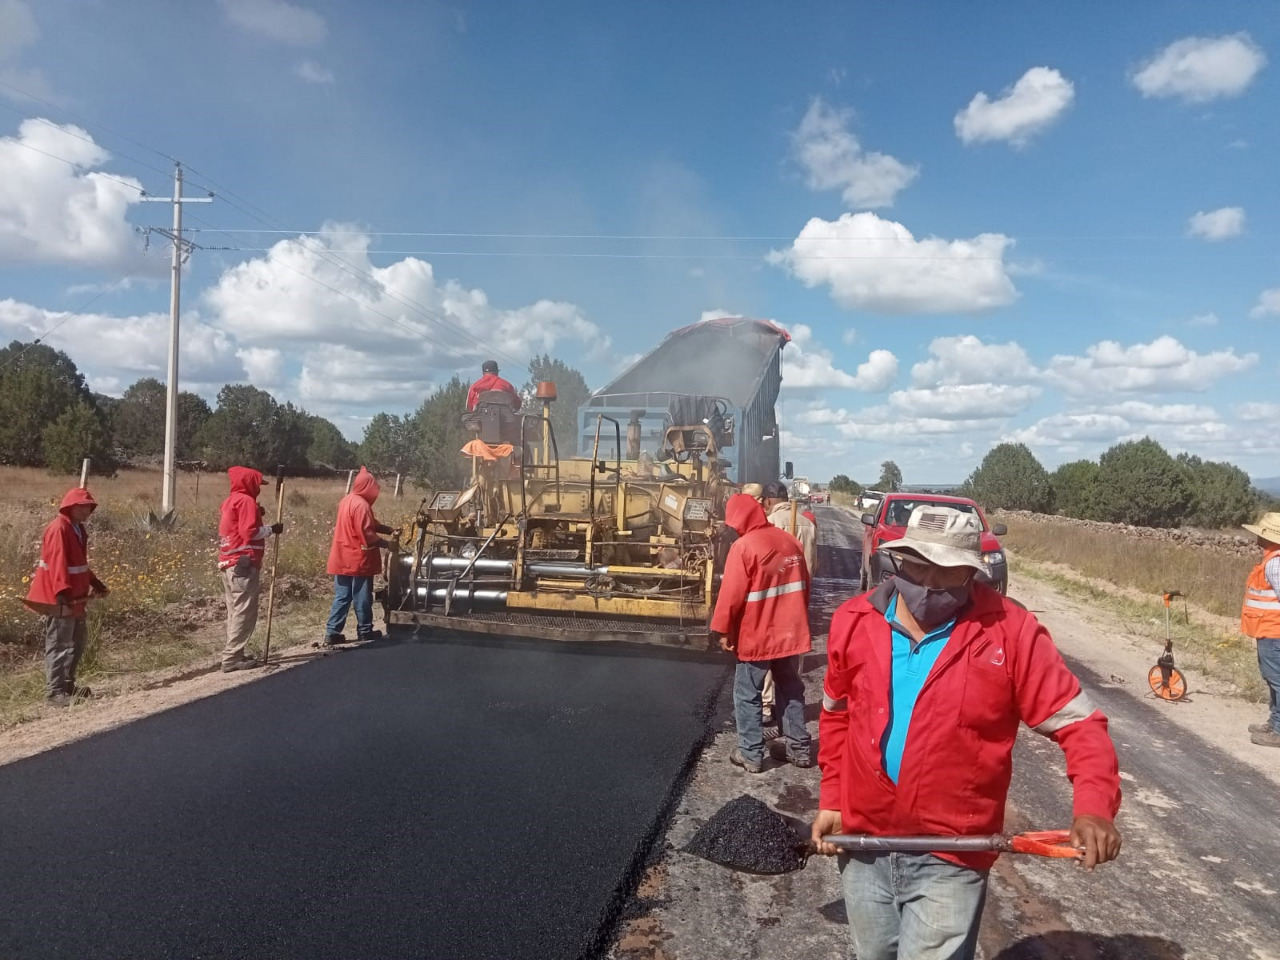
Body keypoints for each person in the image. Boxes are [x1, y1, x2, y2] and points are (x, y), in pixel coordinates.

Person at [811, 505, 1122, 960]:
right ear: (897, 561)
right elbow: (836, 716)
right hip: (863, 843)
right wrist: (834, 798)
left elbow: (1080, 724)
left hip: (952, 854)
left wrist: (1094, 806)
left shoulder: (1011, 633)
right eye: (919, 567)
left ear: (972, 574)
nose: (931, 584)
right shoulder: (854, 621)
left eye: (949, 574)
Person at [710, 493, 813, 773]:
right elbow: (804, 586)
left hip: (758, 635)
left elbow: (731, 595)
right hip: (790, 632)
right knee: (790, 689)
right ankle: (799, 750)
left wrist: (722, 630)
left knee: (747, 693)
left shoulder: (743, 547)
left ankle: (751, 754)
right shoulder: (789, 541)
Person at [24, 488, 109, 707]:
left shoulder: (77, 529)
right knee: (60, 643)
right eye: (82, 507)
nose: (86, 511)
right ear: (70, 507)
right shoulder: (59, 528)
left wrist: (94, 582)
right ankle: (55, 692)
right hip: (60, 598)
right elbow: (57, 562)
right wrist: (61, 592)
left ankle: (68, 685)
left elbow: (78, 563)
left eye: (89, 507)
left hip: (76, 598)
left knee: (78, 642)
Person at [217, 467, 283, 673]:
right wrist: (271, 529)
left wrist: (257, 514)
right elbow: (249, 532)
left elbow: (237, 526)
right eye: (257, 484)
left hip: (229, 563)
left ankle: (236, 653)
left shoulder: (231, 500)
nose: (259, 489)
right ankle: (232, 658)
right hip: (243, 563)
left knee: (235, 611)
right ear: (249, 483)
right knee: (244, 612)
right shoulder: (246, 502)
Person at [325, 467, 398, 645]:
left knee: (342, 596)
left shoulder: (347, 501)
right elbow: (367, 534)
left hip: (341, 557)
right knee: (362, 595)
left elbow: (369, 524)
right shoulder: (362, 505)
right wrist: (388, 544)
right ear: (367, 487)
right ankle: (365, 630)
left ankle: (332, 632)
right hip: (358, 558)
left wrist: (387, 529)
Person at [1240, 512, 1280, 749]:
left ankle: (1278, 731)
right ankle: (1274, 722)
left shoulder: (1275, 563)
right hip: (1269, 630)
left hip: (1274, 632)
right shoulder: (1272, 559)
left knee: (1277, 681)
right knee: (1272, 679)